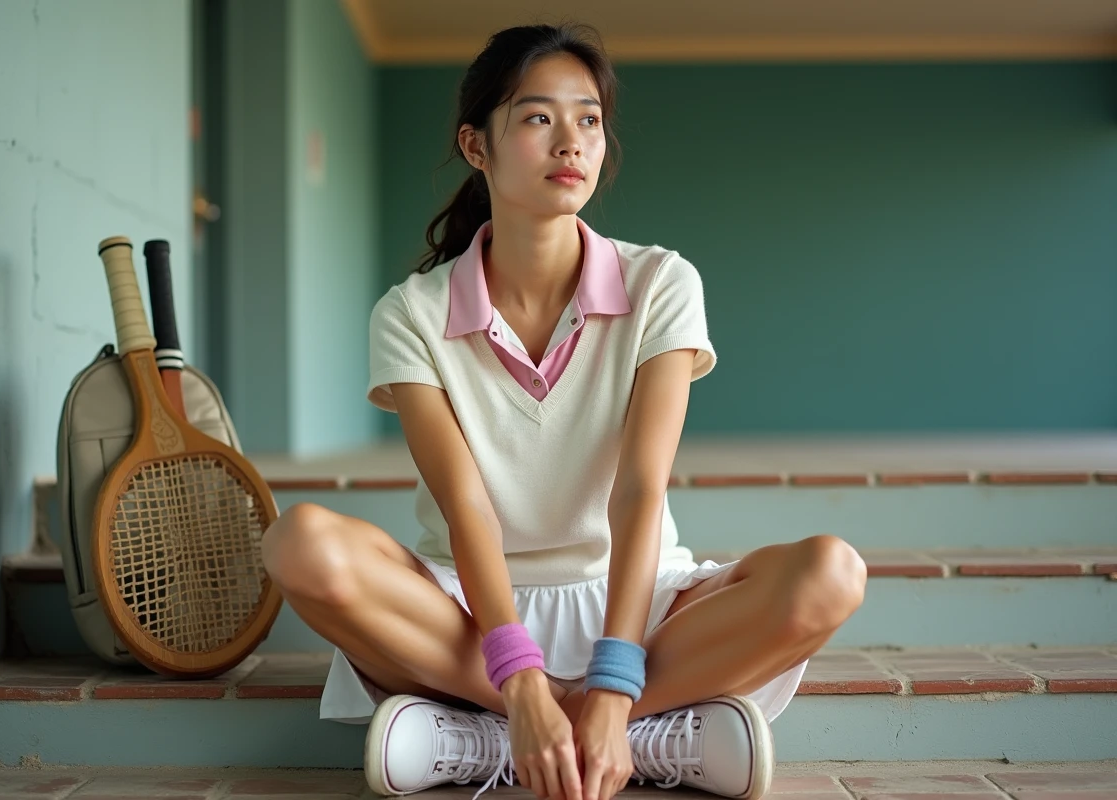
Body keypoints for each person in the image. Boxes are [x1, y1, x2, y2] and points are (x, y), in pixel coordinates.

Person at [261, 21, 867, 800]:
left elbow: (639, 489)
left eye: (589, 119)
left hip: (636, 606)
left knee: (830, 576)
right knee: (301, 546)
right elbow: (466, 505)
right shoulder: (410, 312)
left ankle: (512, 737)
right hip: (467, 614)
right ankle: (571, 728)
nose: (571, 142)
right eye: (538, 117)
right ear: (476, 146)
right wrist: (519, 681)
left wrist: (614, 680)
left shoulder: (662, 283)